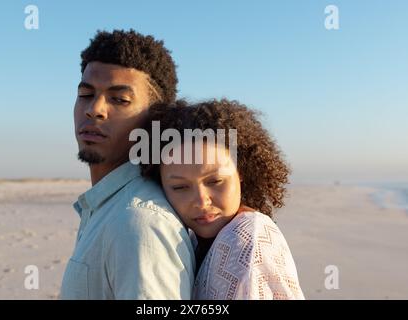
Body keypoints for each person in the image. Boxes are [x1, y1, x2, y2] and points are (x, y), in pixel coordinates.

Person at [60, 29, 195, 299]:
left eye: (119, 99)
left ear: (154, 119)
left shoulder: (138, 224)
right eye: (86, 94)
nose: (94, 109)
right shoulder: (107, 206)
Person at [140, 99, 305, 299]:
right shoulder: (194, 239)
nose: (201, 201)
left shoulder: (248, 238)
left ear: (241, 171)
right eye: (180, 187)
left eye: (215, 181)